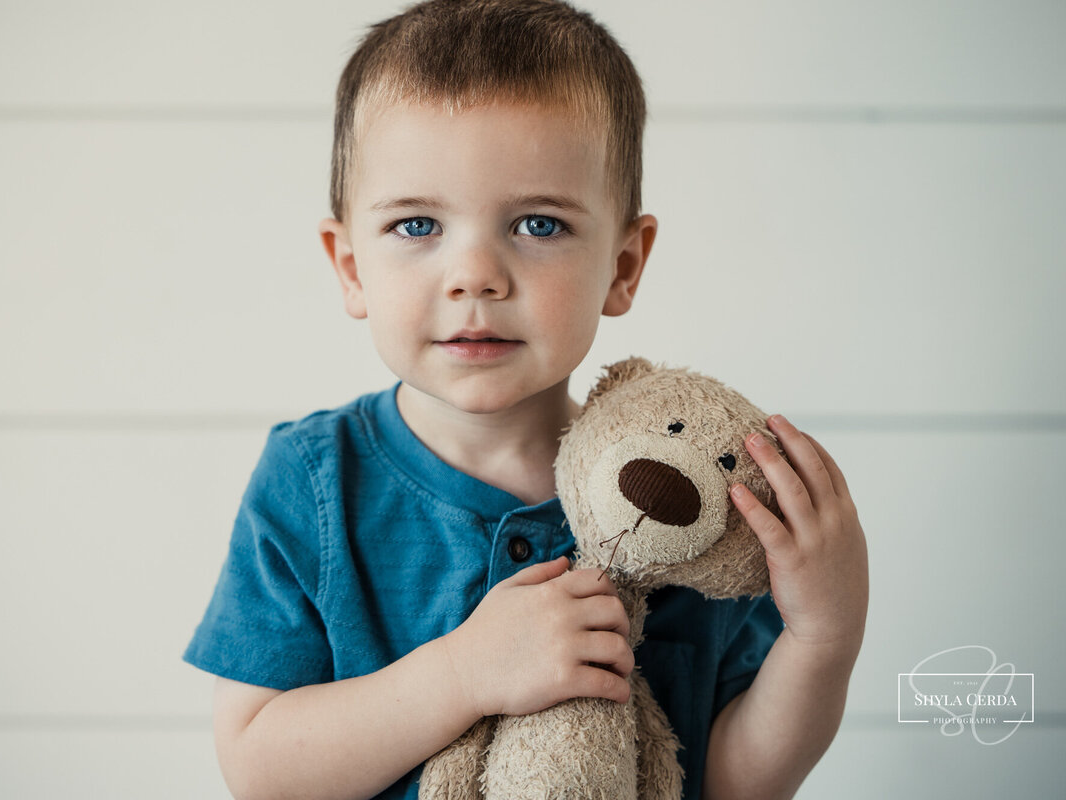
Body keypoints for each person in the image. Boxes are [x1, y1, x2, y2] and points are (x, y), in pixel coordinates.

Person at [182, 1, 869, 798]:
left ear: (622, 266)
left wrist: (825, 636)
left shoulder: (682, 499)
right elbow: (260, 769)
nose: (476, 275)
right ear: (349, 267)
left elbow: (732, 783)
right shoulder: (311, 482)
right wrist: (462, 675)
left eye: (538, 224)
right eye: (415, 225)